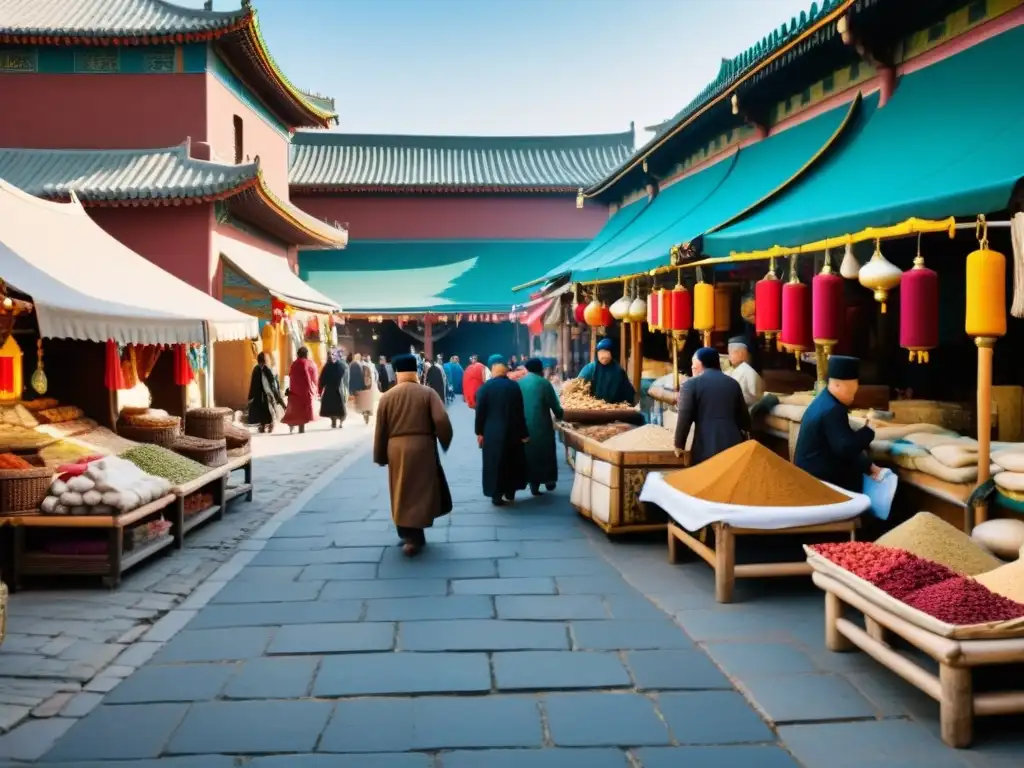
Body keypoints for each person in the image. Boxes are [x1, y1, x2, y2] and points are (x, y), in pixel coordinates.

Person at [373, 353, 453, 557]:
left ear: (397, 372)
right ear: (416, 371)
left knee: (401, 490)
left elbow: (381, 429)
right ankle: (415, 534)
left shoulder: (388, 397)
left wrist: (381, 455)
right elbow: (442, 419)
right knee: (420, 490)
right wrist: (444, 439)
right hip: (423, 446)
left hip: (396, 448)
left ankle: (409, 534)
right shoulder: (427, 393)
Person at [794, 355, 883, 492]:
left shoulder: (824, 401)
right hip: (818, 480)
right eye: (850, 392)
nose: (853, 397)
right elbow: (846, 448)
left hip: (810, 472)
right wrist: (868, 430)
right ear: (837, 385)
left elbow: (838, 444)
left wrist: (869, 465)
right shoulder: (833, 410)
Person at [674, 347, 750, 465]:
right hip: (734, 444)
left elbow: (684, 416)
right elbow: (744, 419)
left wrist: (679, 444)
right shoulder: (733, 383)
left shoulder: (690, 385)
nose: (692, 367)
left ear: (701, 364)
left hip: (706, 444)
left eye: (694, 364)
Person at [475, 354, 529, 506]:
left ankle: (496, 494)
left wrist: (479, 431)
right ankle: (510, 491)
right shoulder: (513, 386)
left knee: (494, 463)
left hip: (492, 433)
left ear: (492, 369)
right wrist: (523, 433)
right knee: (511, 461)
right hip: (512, 431)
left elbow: (480, 413)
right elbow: (520, 412)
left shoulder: (485, 388)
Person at [518, 357, 563, 495]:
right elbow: (554, 405)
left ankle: (533, 483)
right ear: (540, 369)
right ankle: (548, 480)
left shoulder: (520, 383)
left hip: (523, 425)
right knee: (545, 452)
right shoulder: (544, 384)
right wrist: (560, 414)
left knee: (529, 454)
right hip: (542, 424)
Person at [578, 338, 635, 404]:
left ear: (612, 353)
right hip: (592, 407)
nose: (603, 356)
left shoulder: (619, 371)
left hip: (614, 409)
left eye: (606, 352)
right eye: (601, 352)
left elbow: (628, 393)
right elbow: (577, 385)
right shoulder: (591, 368)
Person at [282, 346, 318, 434]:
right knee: (303, 413)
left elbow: (291, 376)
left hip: (294, 392)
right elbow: (311, 377)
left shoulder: (294, 364)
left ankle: (292, 426)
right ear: (306, 354)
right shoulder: (308, 363)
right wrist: (313, 389)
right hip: (305, 392)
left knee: (295, 411)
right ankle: (301, 431)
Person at [246, 352, 285, 433]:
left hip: (266, 395)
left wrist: (276, 395)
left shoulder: (266, 370)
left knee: (268, 412)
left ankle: (269, 425)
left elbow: (272, 384)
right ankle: (264, 426)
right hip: (261, 395)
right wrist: (251, 396)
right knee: (263, 412)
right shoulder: (258, 369)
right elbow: (253, 383)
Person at [726, 336, 764, 407]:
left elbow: (754, 397)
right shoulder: (735, 370)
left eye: (731, 353)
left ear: (741, 353)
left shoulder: (745, 371)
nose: (729, 357)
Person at [318, 346, 349, 428]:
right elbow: (345, 377)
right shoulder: (341, 365)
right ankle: (339, 421)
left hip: (330, 389)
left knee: (333, 407)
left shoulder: (328, 366)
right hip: (338, 388)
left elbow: (322, 378)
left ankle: (335, 421)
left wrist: (321, 387)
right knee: (340, 406)